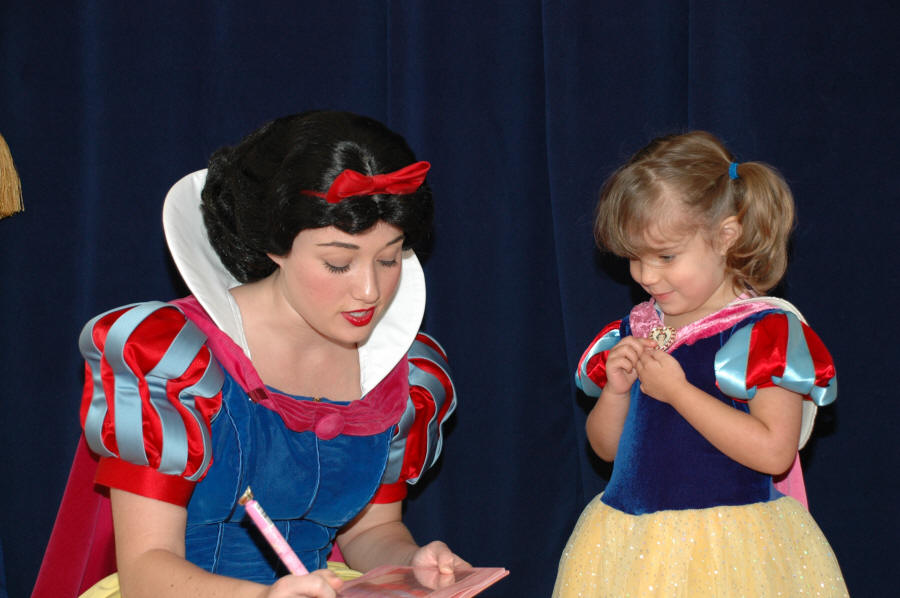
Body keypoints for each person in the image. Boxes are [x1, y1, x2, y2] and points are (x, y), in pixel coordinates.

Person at [33, 111, 465, 598]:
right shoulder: (173, 359)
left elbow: (371, 532)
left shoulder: (400, 376)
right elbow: (146, 570)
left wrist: (411, 563)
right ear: (274, 245)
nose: (370, 290)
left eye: (388, 258)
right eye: (338, 262)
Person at [552, 131, 848, 596]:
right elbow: (606, 451)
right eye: (634, 258)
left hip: (730, 552)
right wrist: (614, 391)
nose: (646, 275)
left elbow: (775, 452)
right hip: (632, 550)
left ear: (726, 237)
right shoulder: (635, 329)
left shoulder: (761, 333)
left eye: (666, 256)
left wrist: (679, 393)